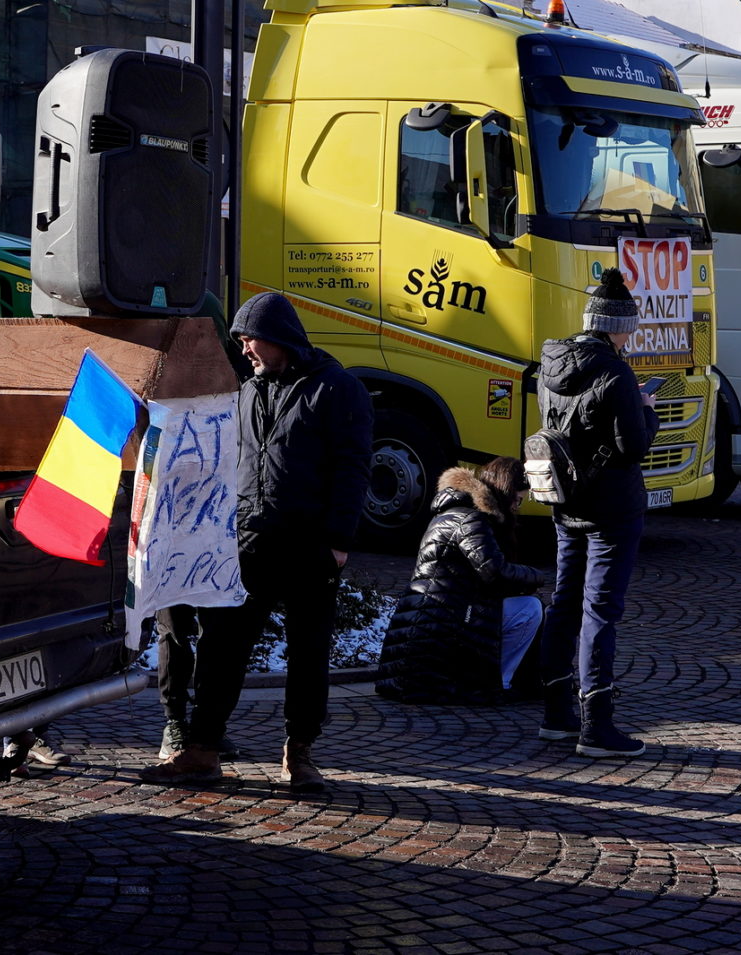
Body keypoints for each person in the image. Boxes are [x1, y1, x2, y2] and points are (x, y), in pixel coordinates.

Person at [145, 292, 371, 791]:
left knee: (308, 653)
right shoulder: (247, 391)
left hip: (311, 546)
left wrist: (338, 541)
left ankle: (299, 753)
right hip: (248, 542)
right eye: (241, 340)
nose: (244, 349)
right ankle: (202, 750)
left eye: (250, 339)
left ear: (279, 337)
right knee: (222, 646)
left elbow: (353, 467)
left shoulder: (338, 389)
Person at [536, 267, 661, 758]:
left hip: (566, 501)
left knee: (564, 602)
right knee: (600, 611)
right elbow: (633, 447)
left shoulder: (551, 362)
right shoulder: (615, 372)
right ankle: (597, 727)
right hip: (612, 508)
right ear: (619, 328)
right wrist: (645, 407)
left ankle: (556, 715)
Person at [376, 457, 548, 704]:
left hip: (430, 627)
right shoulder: (470, 519)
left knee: (522, 604)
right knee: (529, 608)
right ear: (506, 490)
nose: (516, 507)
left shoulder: (458, 512)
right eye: (517, 500)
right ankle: (502, 683)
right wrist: (537, 576)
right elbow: (494, 571)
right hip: (441, 628)